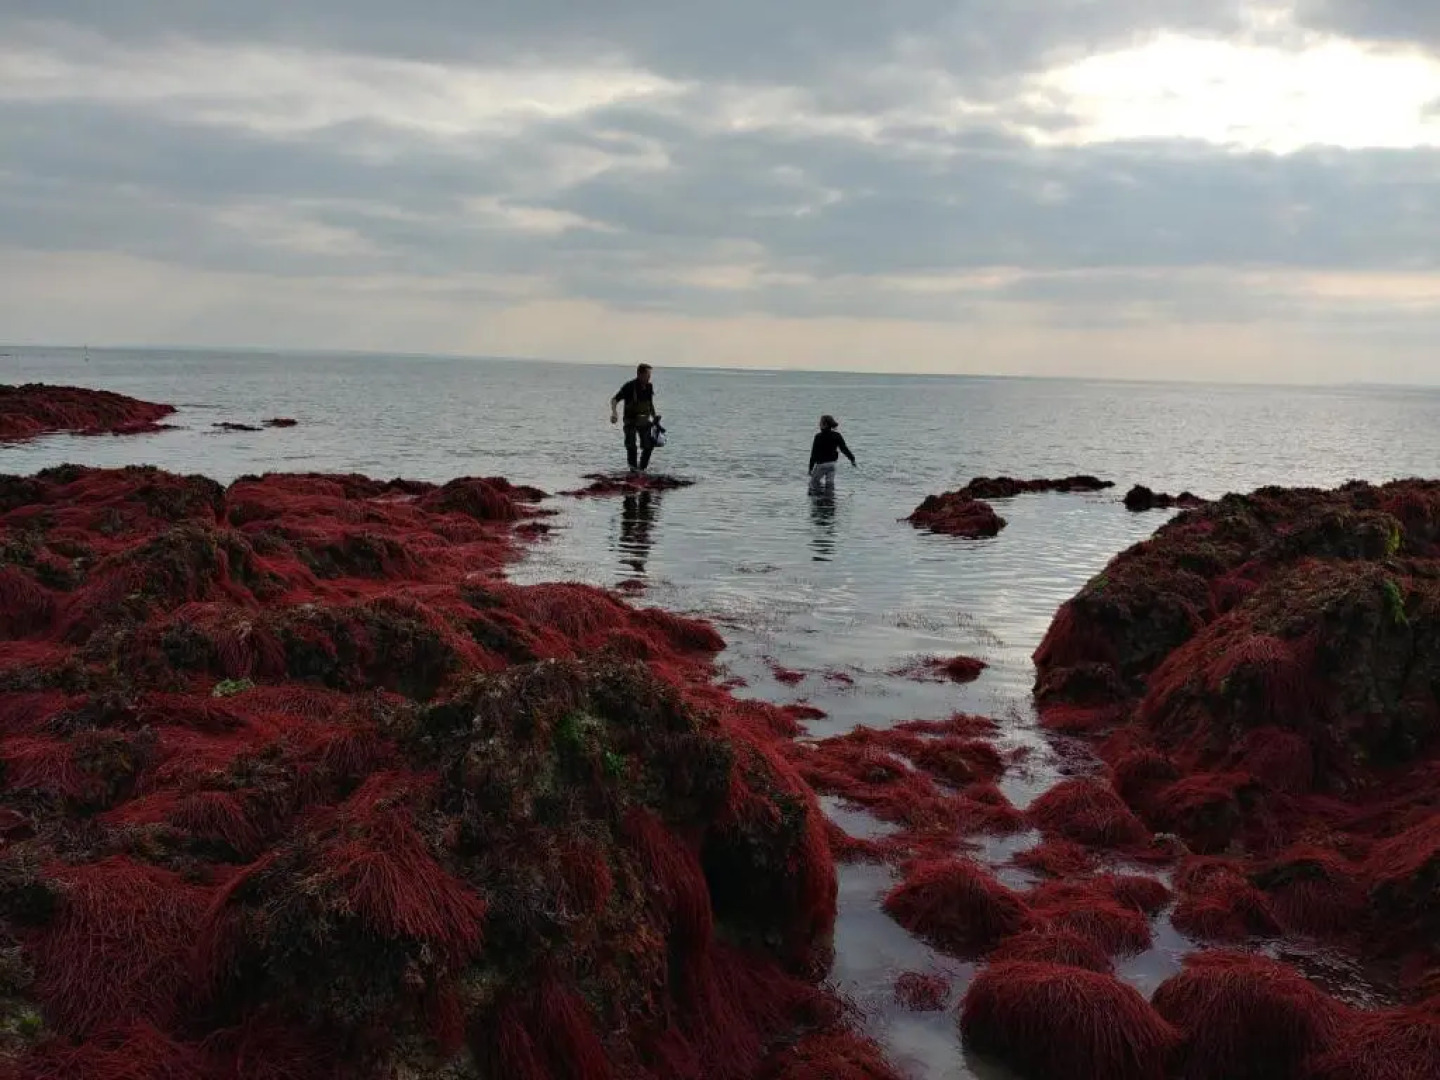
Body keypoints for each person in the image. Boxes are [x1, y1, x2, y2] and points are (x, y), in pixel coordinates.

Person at [610, 363, 658, 473]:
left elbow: (650, 404)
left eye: (650, 375)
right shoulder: (629, 386)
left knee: (649, 445)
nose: (649, 377)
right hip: (630, 420)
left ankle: (642, 469)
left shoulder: (649, 387)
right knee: (631, 446)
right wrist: (614, 413)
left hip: (644, 421)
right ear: (639, 374)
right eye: (647, 375)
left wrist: (654, 418)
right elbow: (614, 400)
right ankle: (632, 469)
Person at [808, 415, 855, 496]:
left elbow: (814, 454)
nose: (819, 424)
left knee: (813, 484)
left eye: (820, 423)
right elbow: (844, 449)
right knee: (830, 485)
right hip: (832, 465)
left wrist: (810, 468)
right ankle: (830, 503)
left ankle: (818, 503)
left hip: (821, 465)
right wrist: (852, 459)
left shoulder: (818, 436)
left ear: (825, 424)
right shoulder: (837, 435)